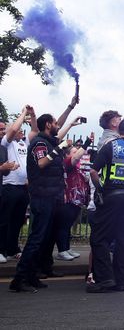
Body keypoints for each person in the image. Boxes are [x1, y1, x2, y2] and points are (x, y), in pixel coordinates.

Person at [87, 118, 124, 293]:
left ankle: (105, 279)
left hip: (110, 196)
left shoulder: (110, 147)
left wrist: (100, 190)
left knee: (99, 238)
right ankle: (121, 280)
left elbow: (93, 171)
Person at [9, 113, 66, 293]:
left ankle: (32, 276)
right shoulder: (40, 144)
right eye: (55, 123)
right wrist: (59, 149)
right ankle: (19, 279)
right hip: (42, 197)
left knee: (42, 239)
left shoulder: (48, 141)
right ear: (48, 125)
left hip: (50, 196)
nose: (58, 125)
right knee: (36, 239)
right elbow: (42, 163)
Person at [0, 107, 35, 265]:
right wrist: (22, 114)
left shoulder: (23, 143)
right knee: (4, 220)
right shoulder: (6, 143)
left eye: (21, 129)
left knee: (18, 220)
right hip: (10, 187)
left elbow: (35, 130)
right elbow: (13, 128)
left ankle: (12, 249)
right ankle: (1, 250)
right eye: (17, 130)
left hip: (23, 187)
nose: (20, 130)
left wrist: (32, 115)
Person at [54, 134, 93, 261]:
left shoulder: (79, 168)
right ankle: (62, 250)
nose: (79, 154)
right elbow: (76, 158)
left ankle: (67, 247)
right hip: (68, 199)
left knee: (69, 224)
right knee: (63, 225)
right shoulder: (67, 163)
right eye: (75, 152)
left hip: (77, 200)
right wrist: (86, 143)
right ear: (67, 155)